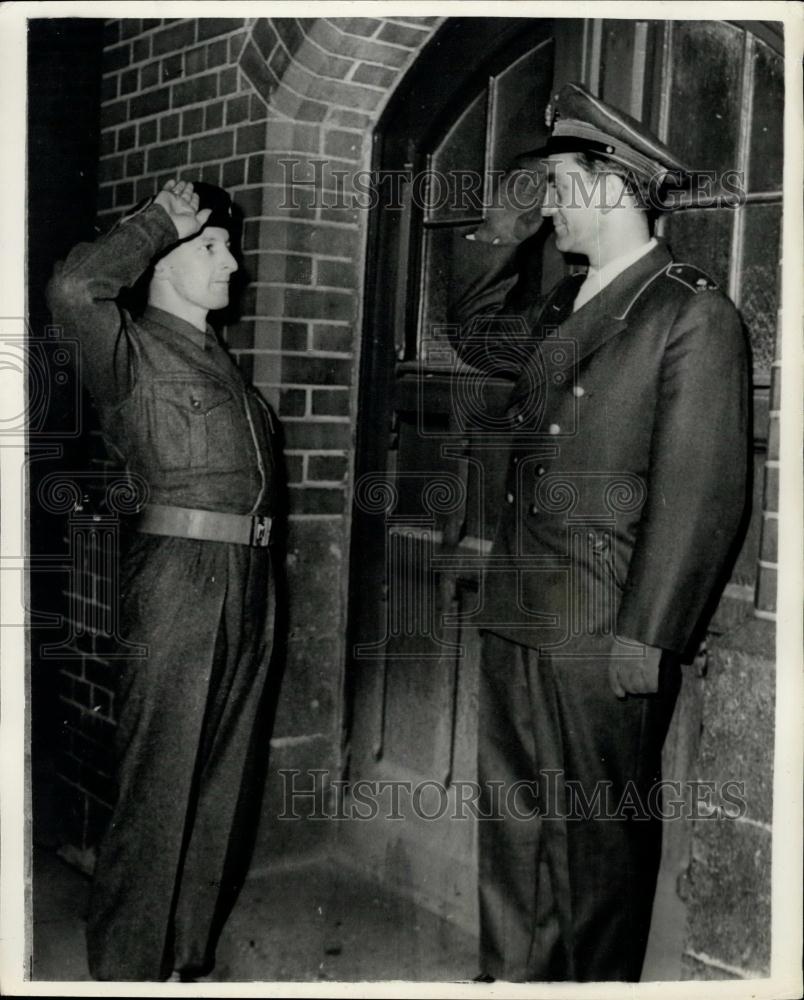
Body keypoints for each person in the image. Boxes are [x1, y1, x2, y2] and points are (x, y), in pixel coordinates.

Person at [453, 83, 749, 982]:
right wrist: (503, 222)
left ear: (610, 185)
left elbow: (701, 494)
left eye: (556, 185)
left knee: (593, 852)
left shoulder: (690, 312)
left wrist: (646, 638)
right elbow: (470, 330)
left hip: (598, 628)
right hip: (521, 607)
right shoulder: (561, 308)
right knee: (513, 833)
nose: (547, 206)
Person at [47, 178, 282, 981]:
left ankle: (184, 957)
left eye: (229, 246)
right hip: (180, 579)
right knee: (158, 785)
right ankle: (125, 969)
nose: (234, 264)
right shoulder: (129, 352)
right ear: (160, 263)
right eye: (211, 247)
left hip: (249, 578)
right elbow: (75, 287)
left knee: (221, 778)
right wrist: (157, 221)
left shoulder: (222, 366)